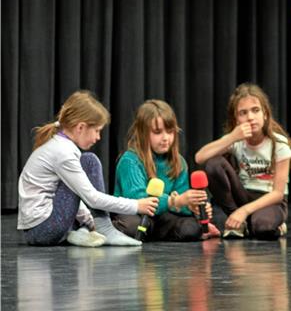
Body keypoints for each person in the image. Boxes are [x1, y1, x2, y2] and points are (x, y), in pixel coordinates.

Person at [17, 90, 158, 247]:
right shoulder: (63, 153)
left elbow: (71, 193)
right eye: (97, 131)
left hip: (41, 229)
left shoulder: (61, 146)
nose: (98, 137)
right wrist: (136, 205)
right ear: (81, 127)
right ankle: (103, 229)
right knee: (89, 161)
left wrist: (90, 223)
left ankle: (81, 231)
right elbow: (92, 198)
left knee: (86, 163)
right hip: (44, 229)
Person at [194, 83, 291, 240]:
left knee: (262, 228)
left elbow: (278, 194)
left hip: (270, 201)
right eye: (243, 113)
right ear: (237, 119)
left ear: (265, 114)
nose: (250, 117)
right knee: (213, 164)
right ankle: (239, 223)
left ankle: (269, 225)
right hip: (244, 194)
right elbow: (200, 157)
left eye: (255, 110)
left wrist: (243, 211)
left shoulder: (279, 144)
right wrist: (231, 137)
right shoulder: (237, 140)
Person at [112, 99, 220, 241]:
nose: (165, 138)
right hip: (135, 213)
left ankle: (150, 234)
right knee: (132, 226)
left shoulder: (179, 162)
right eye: (157, 132)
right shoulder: (130, 160)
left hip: (161, 217)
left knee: (190, 228)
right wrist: (173, 201)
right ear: (143, 133)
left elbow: (180, 200)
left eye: (170, 132)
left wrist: (192, 207)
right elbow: (137, 197)